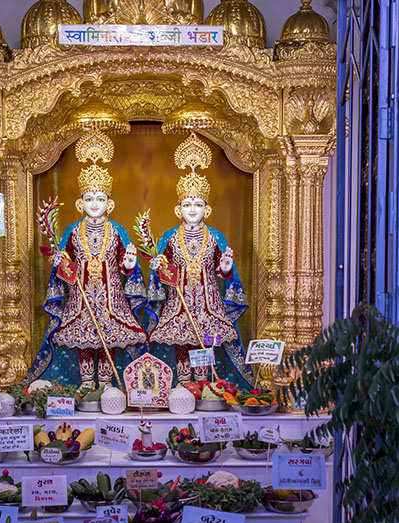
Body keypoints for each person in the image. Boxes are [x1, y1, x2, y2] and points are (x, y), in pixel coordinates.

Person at [27, 132, 147, 385]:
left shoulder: (117, 231)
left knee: (108, 339)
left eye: (100, 199)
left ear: (110, 204)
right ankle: (85, 384)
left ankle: (105, 383)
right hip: (80, 299)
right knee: (83, 340)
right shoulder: (72, 231)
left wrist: (128, 265)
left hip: (111, 299)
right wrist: (60, 264)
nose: (94, 204)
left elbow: (128, 266)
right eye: (89, 199)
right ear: (79, 203)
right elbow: (63, 269)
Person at [146, 133, 253, 387]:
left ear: (207, 209)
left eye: (197, 204)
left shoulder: (215, 236)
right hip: (179, 304)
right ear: (178, 209)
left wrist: (225, 269)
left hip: (208, 303)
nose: (192, 209)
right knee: (182, 343)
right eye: (187, 204)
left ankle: (203, 383)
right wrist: (159, 268)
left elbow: (224, 270)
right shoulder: (170, 237)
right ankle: (185, 384)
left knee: (206, 342)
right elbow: (162, 273)